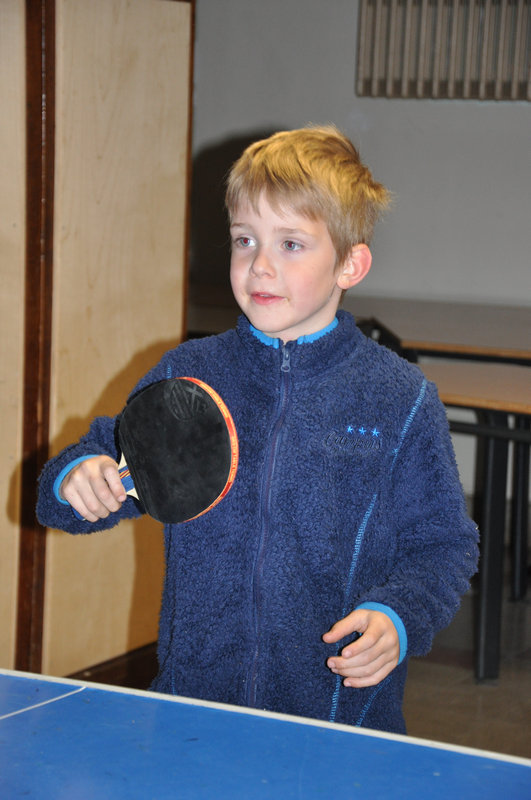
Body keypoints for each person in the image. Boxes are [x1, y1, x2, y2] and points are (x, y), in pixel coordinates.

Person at [37, 125, 478, 734]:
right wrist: (76, 478)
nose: (260, 265)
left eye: (291, 244)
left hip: (337, 724)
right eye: (245, 240)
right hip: (193, 711)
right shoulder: (189, 375)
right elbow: (83, 482)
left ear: (350, 263)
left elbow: (444, 545)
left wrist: (399, 618)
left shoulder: (399, 398)